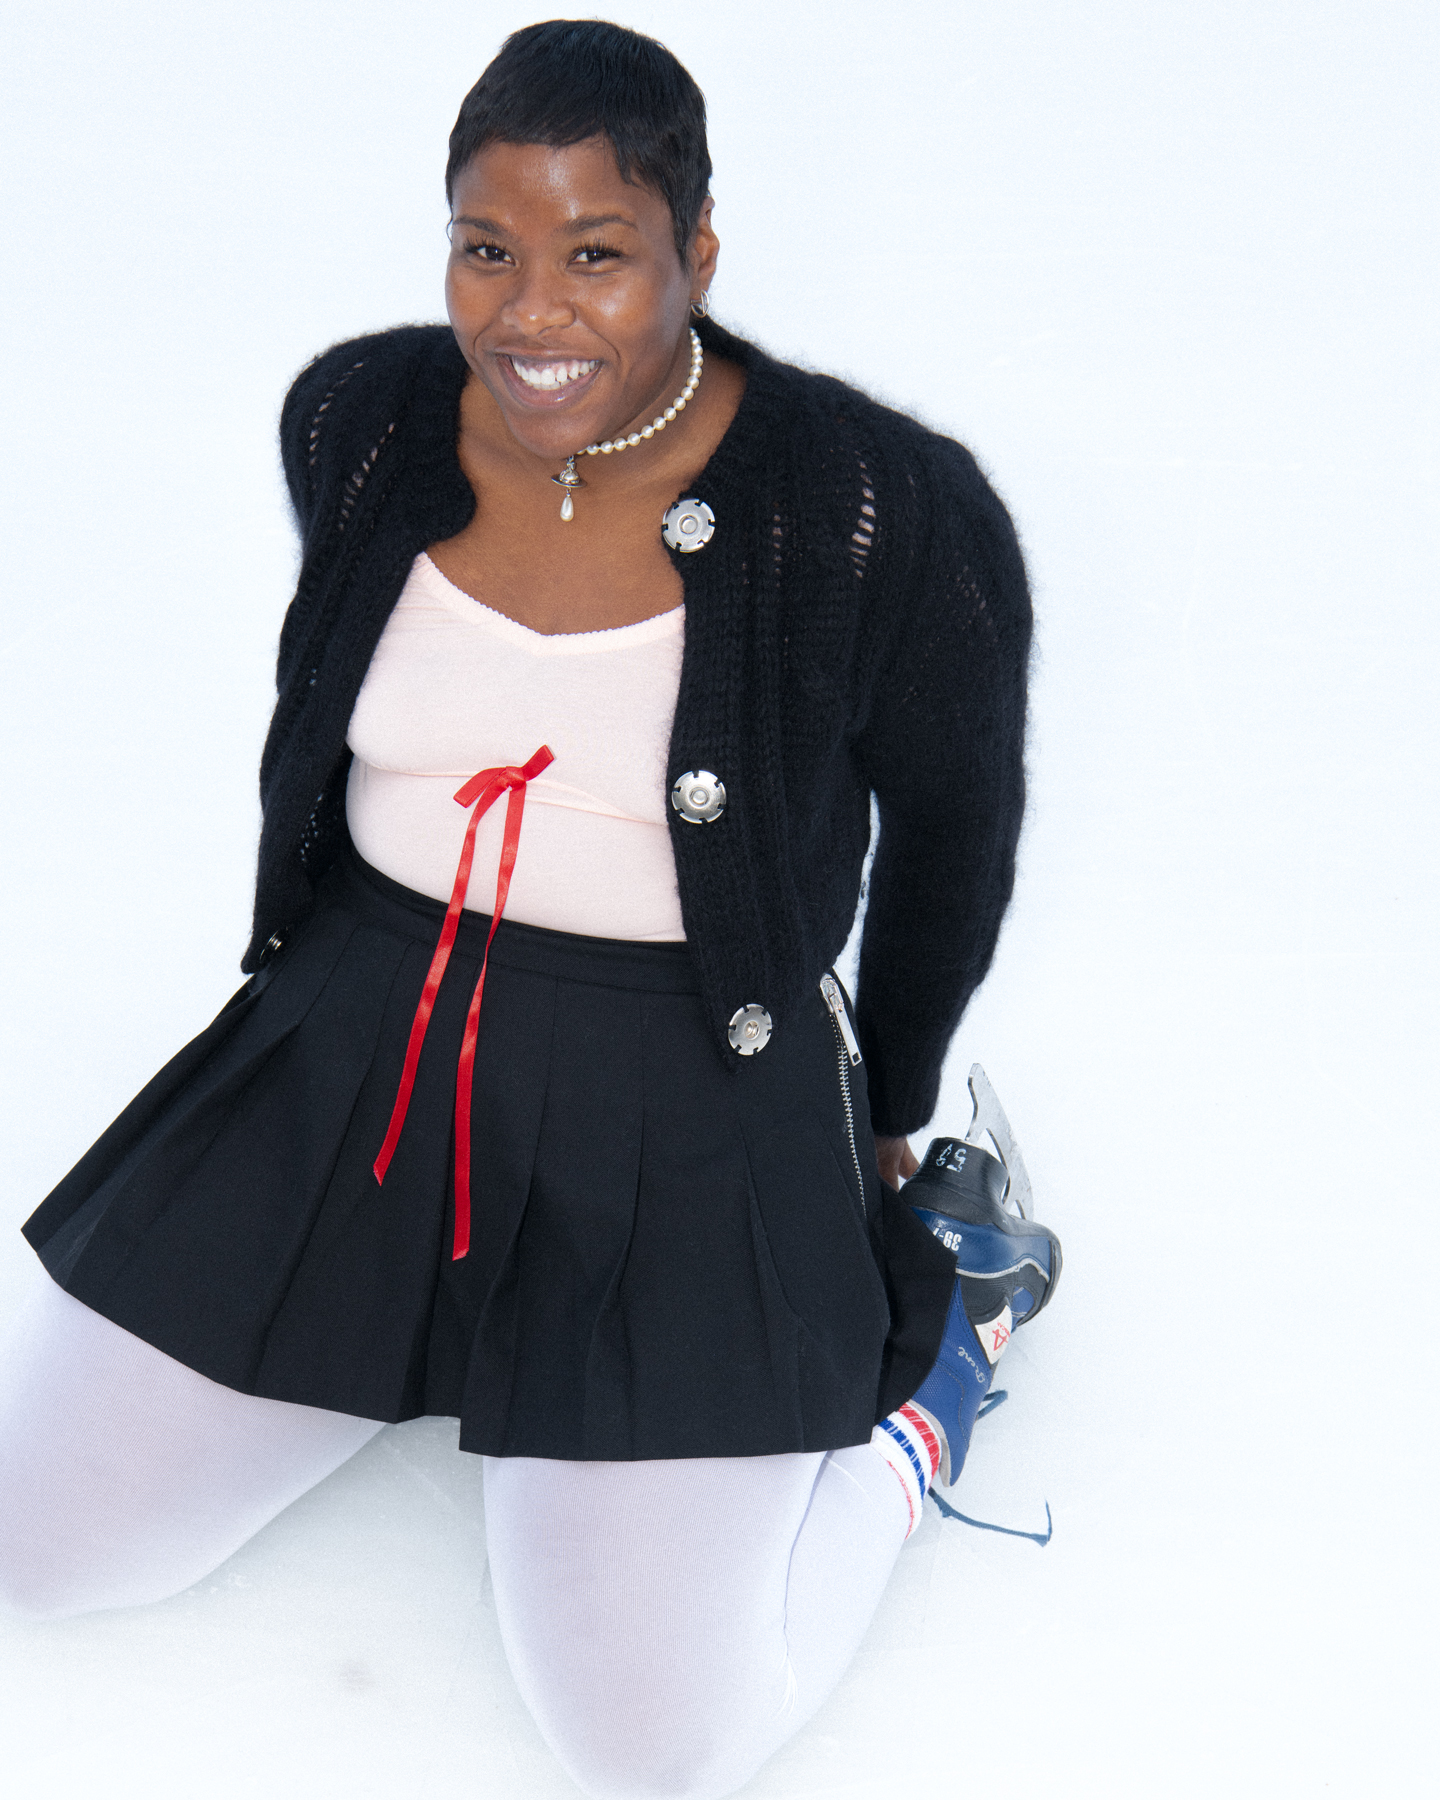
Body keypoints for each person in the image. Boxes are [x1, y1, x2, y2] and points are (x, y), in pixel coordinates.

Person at [0, 19, 1057, 1799]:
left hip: (688, 1093)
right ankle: (423, 1320)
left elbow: (961, 836)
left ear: (694, 254)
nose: (532, 313)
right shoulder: (357, 416)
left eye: (595, 254)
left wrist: (883, 1125)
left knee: (653, 1741)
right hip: (360, 1051)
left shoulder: (880, 510)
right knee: (41, 1552)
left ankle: (939, 1371)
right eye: (487, 248)